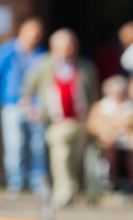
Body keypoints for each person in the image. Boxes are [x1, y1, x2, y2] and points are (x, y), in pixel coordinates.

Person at [22, 28, 98, 208]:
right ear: (53, 47)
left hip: (80, 121)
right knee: (61, 156)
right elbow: (27, 89)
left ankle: (74, 190)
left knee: (77, 159)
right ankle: (64, 192)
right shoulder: (43, 65)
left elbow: (93, 93)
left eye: (71, 46)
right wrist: (31, 109)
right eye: (64, 46)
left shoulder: (84, 66)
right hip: (56, 121)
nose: (68, 50)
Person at [0, 18, 48, 196]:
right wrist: (6, 95)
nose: (35, 37)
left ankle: (37, 183)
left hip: (35, 105)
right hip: (12, 104)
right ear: (22, 31)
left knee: (37, 145)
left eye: (38, 33)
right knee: (14, 144)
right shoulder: (8, 50)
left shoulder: (41, 53)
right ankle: (15, 182)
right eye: (32, 33)